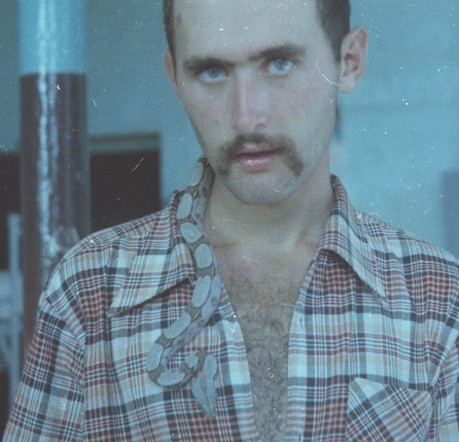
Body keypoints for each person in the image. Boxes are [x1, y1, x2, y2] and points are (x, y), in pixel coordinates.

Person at [4, 0, 459, 440]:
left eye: (279, 63)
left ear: (349, 61)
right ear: (175, 78)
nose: (247, 118)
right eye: (212, 71)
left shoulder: (438, 298)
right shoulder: (89, 290)